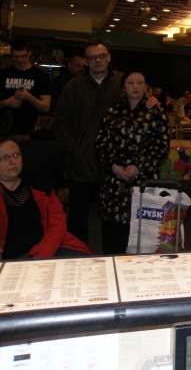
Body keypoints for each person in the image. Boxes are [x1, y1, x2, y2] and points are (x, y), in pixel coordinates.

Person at [53, 40, 158, 246]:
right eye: (92, 57)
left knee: (114, 221)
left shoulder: (123, 82)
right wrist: (73, 149)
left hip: (115, 166)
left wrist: (152, 101)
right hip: (81, 166)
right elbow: (60, 123)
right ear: (85, 61)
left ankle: (113, 258)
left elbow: (140, 102)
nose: (97, 60)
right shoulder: (73, 87)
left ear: (108, 57)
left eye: (101, 56)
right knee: (78, 220)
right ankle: (79, 256)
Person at [96, 69, 170, 254]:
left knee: (145, 237)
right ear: (123, 87)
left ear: (146, 87)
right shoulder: (112, 112)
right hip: (115, 184)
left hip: (144, 181)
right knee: (114, 237)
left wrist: (139, 167)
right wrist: (113, 166)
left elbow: (162, 147)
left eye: (139, 82)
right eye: (130, 82)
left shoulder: (157, 112)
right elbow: (100, 143)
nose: (135, 86)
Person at [0, 137, 91, 259]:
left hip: (47, 250)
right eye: (4, 157)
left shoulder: (39, 186)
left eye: (16, 155)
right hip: (11, 258)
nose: (13, 161)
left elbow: (57, 224)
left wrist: (40, 255)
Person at [0, 39, 52, 139]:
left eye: (23, 56)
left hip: (27, 131)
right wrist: (6, 102)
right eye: (16, 56)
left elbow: (46, 107)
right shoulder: (3, 74)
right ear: (12, 55)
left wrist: (28, 97)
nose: (19, 59)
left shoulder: (40, 76)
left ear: (29, 53)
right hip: (4, 131)